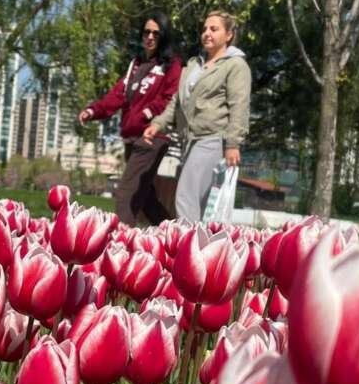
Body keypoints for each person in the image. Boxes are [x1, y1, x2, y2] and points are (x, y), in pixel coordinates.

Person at [143, 11, 251, 224]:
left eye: (214, 29)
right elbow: (177, 101)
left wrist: (232, 143)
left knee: (186, 195)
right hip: (190, 141)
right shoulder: (194, 65)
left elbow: (239, 106)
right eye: (204, 29)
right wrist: (158, 124)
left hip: (213, 139)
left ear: (229, 35)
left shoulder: (235, 65)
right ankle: (202, 249)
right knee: (198, 202)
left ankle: (186, 247)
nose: (207, 33)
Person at [78, 11, 182, 225]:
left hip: (153, 136)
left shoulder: (171, 65)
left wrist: (147, 114)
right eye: (146, 32)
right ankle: (176, 236)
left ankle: (119, 244)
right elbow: (118, 95)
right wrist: (93, 111)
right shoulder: (135, 65)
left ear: (164, 36)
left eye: (156, 33)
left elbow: (170, 97)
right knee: (145, 199)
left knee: (127, 193)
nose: (150, 37)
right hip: (131, 137)